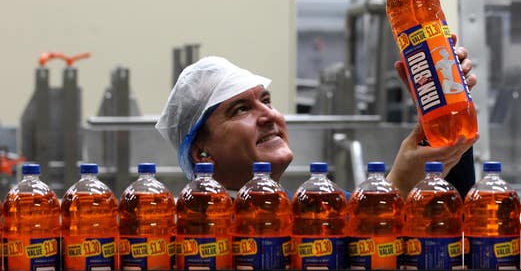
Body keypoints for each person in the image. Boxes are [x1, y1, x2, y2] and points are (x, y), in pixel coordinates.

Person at [156, 48, 478, 199]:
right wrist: (397, 185)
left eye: (266, 101)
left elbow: (450, 222)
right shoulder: (194, 234)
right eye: (241, 109)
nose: (269, 115)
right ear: (203, 154)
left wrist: (440, 110)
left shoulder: (320, 206)